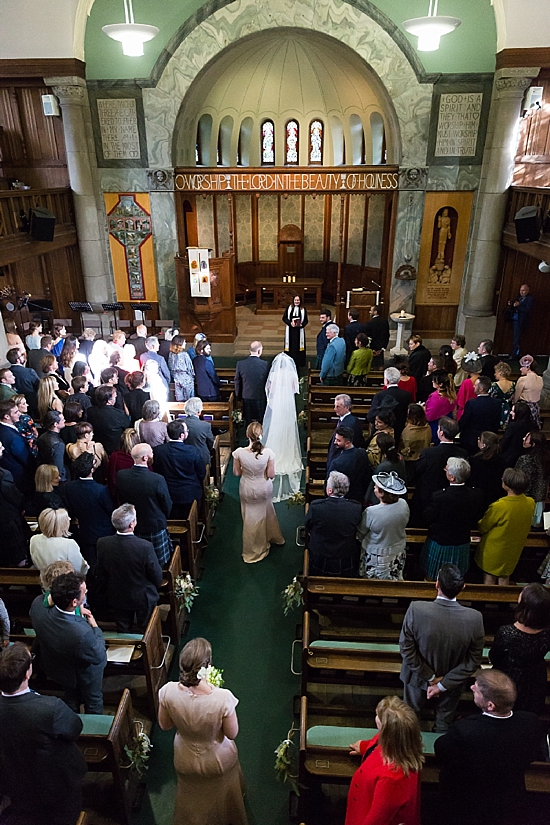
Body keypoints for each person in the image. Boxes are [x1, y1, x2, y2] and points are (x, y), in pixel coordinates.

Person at [158, 637, 248, 825]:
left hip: (185, 757)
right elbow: (232, 733)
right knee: (223, 793)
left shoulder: (167, 692)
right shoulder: (223, 698)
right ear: (206, 666)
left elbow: (165, 725)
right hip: (218, 759)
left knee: (192, 795)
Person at [434, 669, 541, 825]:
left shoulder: (465, 730)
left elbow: (441, 751)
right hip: (511, 798)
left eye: (476, 689)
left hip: (470, 801)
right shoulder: (530, 722)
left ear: (490, 705)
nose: (471, 688)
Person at [0, 642, 88, 825]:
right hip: (57, 785)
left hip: (14, 781)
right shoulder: (49, 708)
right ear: (27, 673)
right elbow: (74, 729)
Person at [399, 564, 485, 732]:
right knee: (444, 722)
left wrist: (429, 677)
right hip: (452, 682)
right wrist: (442, 684)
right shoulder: (475, 618)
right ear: (463, 588)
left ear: (436, 584)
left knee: (409, 719)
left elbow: (406, 649)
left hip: (417, 678)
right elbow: (473, 660)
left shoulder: (416, 609)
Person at [30, 572, 107, 713]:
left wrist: (77, 609)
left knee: (71, 697)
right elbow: (98, 655)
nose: (87, 591)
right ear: (74, 602)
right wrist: (96, 628)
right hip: (84, 673)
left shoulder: (37, 606)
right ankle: (94, 729)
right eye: (84, 591)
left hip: (59, 667)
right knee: (93, 700)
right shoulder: (81, 633)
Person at [345, 695, 423, 825]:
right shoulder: (401, 743)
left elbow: (377, 820)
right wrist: (364, 746)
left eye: (377, 716)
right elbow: (377, 743)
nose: (375, 718)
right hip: (362, 805)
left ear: (387, 731)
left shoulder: (392, 778)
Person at [97, 504, 163, 633]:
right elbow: (156, 575)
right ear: (132, 525)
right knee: (147, 630)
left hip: (117, 596)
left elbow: (101, 572)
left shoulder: (103, 543)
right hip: (143, 597)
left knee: (123, 631)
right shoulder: (145, 547)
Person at [489, 583, 550, 714]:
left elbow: (494, 657)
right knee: (529, 715)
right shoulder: (547, 632)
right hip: (536, 678)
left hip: (510, 678)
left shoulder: (506, 632)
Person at [420, 457, 484, 579]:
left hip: (441, 542)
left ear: (452, 477)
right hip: (462, 541)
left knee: (432, 575)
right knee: (456, 577)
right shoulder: (477, 495)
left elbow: (427, 517)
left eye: (446, 469)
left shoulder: (439, 497)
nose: (445, 470)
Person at [232, 421, 285, 563]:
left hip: (247, 487)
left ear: (247, 435)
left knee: (250, 517)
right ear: (261, 435)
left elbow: (236, 473)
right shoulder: (268, 453)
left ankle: (252, 549)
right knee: (267, 510)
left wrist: (248, 471)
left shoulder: (239, 453)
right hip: (263, 488)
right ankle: (272, 536)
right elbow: (271, 474)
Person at [475, 467, 535, 585]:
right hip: (513, 548)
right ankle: (503, 603)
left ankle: (487, 601)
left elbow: (483, 526)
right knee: (504, 577)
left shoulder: (500, 506)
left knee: (489, 578)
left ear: (507, 485)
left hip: (495, 549)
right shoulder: (530, 502)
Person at [116, 443, 173, 566]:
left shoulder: (121, 475)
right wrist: (162, 516)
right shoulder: (157, 479)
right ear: (145, 458)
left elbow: (121, 499)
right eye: (151, 452)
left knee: (139, 561)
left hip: (133, 524)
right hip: (154, 525)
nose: (153, 454)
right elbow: (167, 504)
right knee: (159, 562)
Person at [63, 452, 115, 570]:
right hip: (104, 532)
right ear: (92, 470)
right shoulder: (101, 490)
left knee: (91, 565)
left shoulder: (69, 488)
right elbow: (110, 510)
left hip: (85, 532)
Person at [262, 352, 303, 502]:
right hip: (288, 403)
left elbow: (270, 390)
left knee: (275, 426)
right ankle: (287, 453)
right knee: (288, 426)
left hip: (278, 404)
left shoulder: (274, 374)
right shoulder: (292, 372)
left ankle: (275, 452)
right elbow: (295, 389)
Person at [305, 471, 362, 576]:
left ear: (329, 490)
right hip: (345, 555)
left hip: (320, 554)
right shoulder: (356, 508)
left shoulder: (316, 507)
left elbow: (308, 525)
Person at [357, 472, 409, 580]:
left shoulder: (371, 512)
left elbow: (361, 532)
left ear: (382, 494)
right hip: (397, 551)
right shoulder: (403, 504)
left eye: (376, 488)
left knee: (374, 582)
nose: (374, 489)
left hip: (377, 556)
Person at [153, 420, 206, 519]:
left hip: (168, 493)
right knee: (192, 519)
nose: (187, 432)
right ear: (181, 436)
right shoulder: (193, 451)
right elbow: (202, 473)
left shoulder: (158, 451)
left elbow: (157, 470)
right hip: (190, 492)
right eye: (187, 431)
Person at [29, 507, 89, 576]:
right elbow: (79, 570)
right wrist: (86, 566)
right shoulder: (69, 544)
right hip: (65, 584)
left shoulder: (34, 539)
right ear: (63, 524)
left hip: (45, 582)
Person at [0, 442, 31, 566]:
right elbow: (14, 497)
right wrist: (22, 506)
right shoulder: (3, 476)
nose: (3, 448)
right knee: (16, 556)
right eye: (0, 447)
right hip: (7, 520)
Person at [0, 398, 36, 497]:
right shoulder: (13, 438)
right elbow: (26, 459)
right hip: (21, 476)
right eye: (16, 412)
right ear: (6, 416)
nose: (19, 414)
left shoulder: (3, 428)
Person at [458, 374, 501, 454]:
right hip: (489, 440)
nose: (473, 386)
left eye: (475, 385)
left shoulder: (471, 403)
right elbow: (496, 423)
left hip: (470, 440)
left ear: (481, 389)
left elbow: (464, 422)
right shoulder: (497, 403)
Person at [328, 425, 371, 505]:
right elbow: (366, 476)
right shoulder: (362, 453)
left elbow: (330, 484)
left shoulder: (337, 463)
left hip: (343, 499)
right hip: (359, 496)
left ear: (347, 443)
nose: (335, 442)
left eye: (338, 440)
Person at [515, 429, 550, 526]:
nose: (523, 439)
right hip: (540, 500)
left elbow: (517, 480)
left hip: (524, 500)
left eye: (526, 438)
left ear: (533, 444)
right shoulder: (546, 459)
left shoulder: (525, 459)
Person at [368, 366, 412, 443]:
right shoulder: (407, 395)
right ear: (399, 380)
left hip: (382, 435)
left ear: (386, 381)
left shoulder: (379, 396)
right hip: (399, 430)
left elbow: (371, 416)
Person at [86, 384, 131, 455]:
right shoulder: (119, 414)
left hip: (97, 449)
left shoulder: (90, 411)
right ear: (109, 401)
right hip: (115, 449)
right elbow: (127, 426)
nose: (116, 397)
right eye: (114, 396)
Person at [364, 433, 406, 505]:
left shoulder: (383, 466)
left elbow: (373, 484)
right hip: (398, 492)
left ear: (380, 448)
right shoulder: (399, 457)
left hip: (385, 496)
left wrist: (366, 498)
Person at [468, 431, 506, 508]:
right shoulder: (503, 461)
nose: (478, 440)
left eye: (479, 439)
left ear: (483, 445)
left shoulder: (474, 461)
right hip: (496, 497)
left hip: (478, 497)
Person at [234, 340, 269, 425]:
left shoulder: (240, 364)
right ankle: (260, 435)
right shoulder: (265, 364)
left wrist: (238, 397)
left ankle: (249, 435)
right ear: (259, 351)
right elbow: (268, 381)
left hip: (246, 396)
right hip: (260, 396)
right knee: (261, 419)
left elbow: (237, 381)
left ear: (250, 350)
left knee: (248, 420)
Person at [327, 394, 366, 467]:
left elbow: (343, 446)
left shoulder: (347, 424)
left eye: (338, 406)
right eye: (335, 406)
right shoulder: (354, 419)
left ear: (347, 407)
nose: (335, 409)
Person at [107, 427, 142, 499]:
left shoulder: (114, 456)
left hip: (120, 495)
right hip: (139, 494)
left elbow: (111, 476)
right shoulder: (142, 457)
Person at [425, 370, 457, 443]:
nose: (432, 381)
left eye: (434, 381)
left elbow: (429, 416)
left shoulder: (435, 397)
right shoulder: (452, 394)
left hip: (436, 426)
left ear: (441, 384)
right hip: (448, 424)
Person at [183, 397, 215, 468]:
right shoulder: (205, 425)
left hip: (183, 457)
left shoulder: (178, 423)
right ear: (199, 412)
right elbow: (210, 442)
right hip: (201, 457)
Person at [500, 400, 533, 467]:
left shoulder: (513, 426)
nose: (511, 413)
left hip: (510, 458)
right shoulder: (533, 425)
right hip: (526, 455)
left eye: (513, 411)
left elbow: (505, 442)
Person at [37, 410, 68, 482]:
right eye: (62, 420)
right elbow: (58, 467)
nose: (65, 420)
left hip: (44, 473)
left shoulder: (42, 437)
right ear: (55, 424)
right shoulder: (58, 444)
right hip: (54, 477)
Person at [514, 354, 543, 426]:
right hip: (535, 408)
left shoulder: (523, 379)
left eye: (522, 367)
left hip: (524, 410)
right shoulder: (540, 379)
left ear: (528, 367)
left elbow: (516, 397)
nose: (520, 369)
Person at [507, 283, 533, 357]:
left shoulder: (529, 299)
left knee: (517, 337)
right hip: (515, 319)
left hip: (521, 321)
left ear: (527, 290)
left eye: (524, 290)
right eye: (521, 290)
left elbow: (527, 310)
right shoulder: (518, 297)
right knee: (514, 337)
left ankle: (515, 354)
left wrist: (519, 306)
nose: (522, 292)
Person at [283, 294, 308, 369]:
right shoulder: (289, 308)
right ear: (293, 301)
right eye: (295, 300)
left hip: (299, 332)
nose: (297, 302)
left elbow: (306, 320)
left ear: (300, 301)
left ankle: (298, 364)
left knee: (298, 347)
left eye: (298, 300)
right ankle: (289, 362)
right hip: (290, 331)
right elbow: (284, 318)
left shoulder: (303, 309)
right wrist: (290, 323)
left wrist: (301, 324)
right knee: (291, 346)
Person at [455, 353, 482, 420]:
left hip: (466, 411)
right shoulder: (483, 380)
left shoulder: (466, 382)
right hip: (479, 410)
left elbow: (460, 399)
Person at [168, 334, 195, 402]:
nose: (185, 343)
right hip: (187, 379)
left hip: (176, 379)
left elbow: (170, 367)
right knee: (189, 400)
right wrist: (192, 377)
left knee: (180, 400)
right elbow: (190, 368)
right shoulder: (184, 355)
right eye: (184, 342)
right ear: (180, 343)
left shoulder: (171, 354)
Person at [489, 360, 516, 428]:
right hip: (507, 408)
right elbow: (513, 397)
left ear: (500, 373)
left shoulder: (494, 385)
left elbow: (490, 397)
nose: (494, 374)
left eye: (496, 372)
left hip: (495, 409)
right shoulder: (513, 384)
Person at [364, 304, 390, 370]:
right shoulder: (385, 322)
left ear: (375, 312)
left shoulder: (369, 323)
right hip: (381, 348)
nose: (369, 312)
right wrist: (382, 348)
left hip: (372, 348)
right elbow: (387, 335)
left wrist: (372, 349)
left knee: (371, 366)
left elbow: (368, 336)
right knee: (380, 366)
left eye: (371, 310)